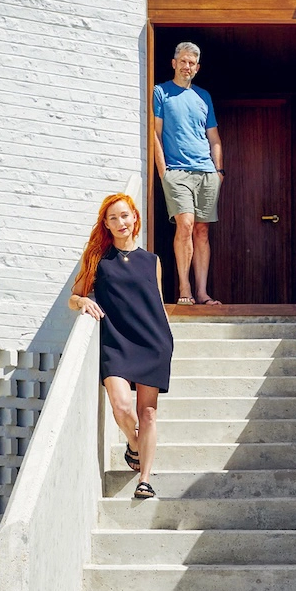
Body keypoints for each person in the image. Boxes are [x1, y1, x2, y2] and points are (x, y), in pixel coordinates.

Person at [69, 193, 173, 499]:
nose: (121, 222)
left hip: (153, 342)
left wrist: (167, 339)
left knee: (149, 413)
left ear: (135, 218)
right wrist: (84, 301)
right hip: (115, 342)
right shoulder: (98, 259)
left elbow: (157, 304)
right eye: (113, 218)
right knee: (122, 406)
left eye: (125, 216)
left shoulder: (152, 261)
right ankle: (134, 444)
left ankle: (145, 479)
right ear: (106, 224)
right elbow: (74, 297)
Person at [153, 41, 224, 306]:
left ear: (197, 68)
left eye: (192, 63)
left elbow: (214, 138)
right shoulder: (161, 92)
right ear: (174, 63)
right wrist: (164, 173)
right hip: (177, 172)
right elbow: (155, 134)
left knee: (202, 231)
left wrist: (219, 171)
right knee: (185, 225)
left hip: (207, 172)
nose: (187, 66)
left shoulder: (203, 96)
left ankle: (203, 293)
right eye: (183, 61)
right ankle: (185, 289)